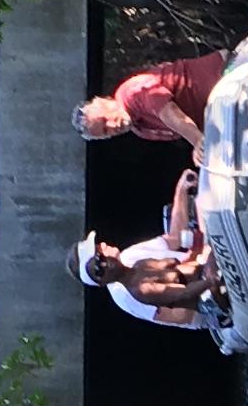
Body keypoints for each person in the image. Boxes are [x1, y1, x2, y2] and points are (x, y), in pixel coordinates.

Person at [77, 170, 225, 331]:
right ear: (102, 280)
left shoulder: (133, 259)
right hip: (207, 300)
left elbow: (174, 240)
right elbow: (182, 311)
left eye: (99, 251)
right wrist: (210, 280)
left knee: (205, 200)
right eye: (99, 265)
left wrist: (182, 188)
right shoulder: (131, 292)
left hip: (205, 266)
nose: (103, 246)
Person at [78, 49, 231, 149]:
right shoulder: (141, 131)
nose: (112, 126)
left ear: (105, 101)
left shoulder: (131, 93)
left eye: (105, 119)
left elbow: (169, 112)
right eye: (106, 131)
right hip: (223, 109)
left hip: (226, 76)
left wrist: (198, 141)